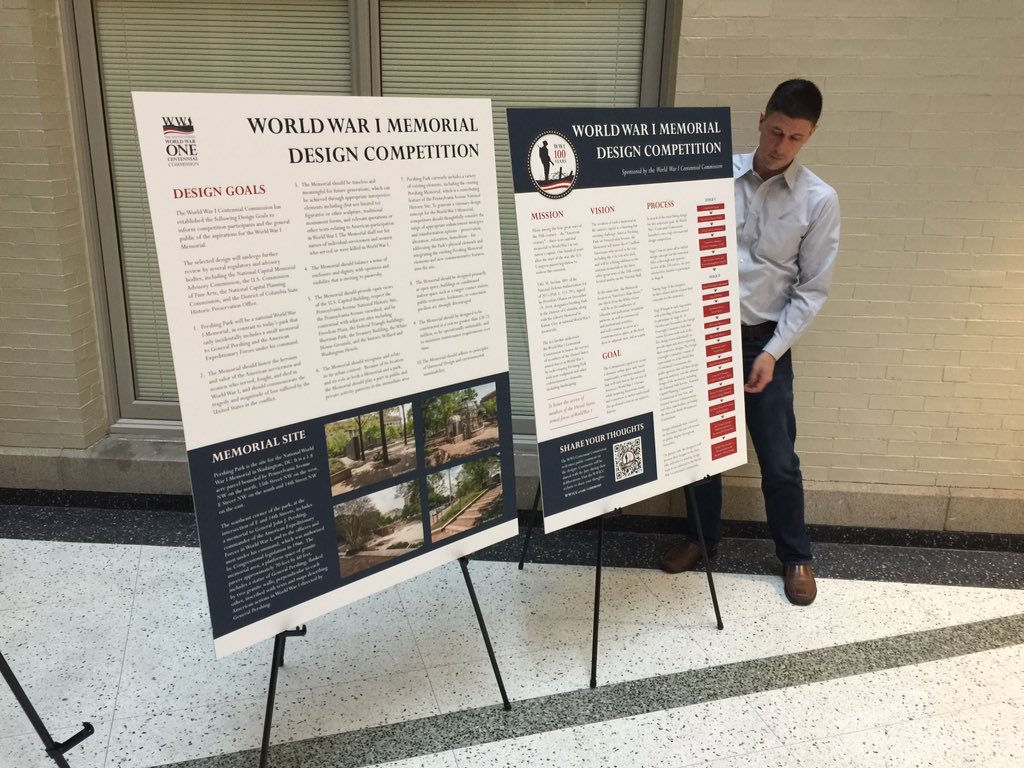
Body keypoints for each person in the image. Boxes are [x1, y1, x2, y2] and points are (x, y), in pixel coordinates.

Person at [660, 79, 840, 606]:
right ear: (761, 119)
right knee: (701, 450)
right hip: (702, 338)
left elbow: (812, 290)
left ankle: (796, 556)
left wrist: (771, 352)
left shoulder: (818, 200)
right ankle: (701, 538)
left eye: (795, 138)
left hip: (766, 342)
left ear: (809, 137)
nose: (781, 145)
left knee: (779, 458)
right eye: (776, 130)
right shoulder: (711, 172)